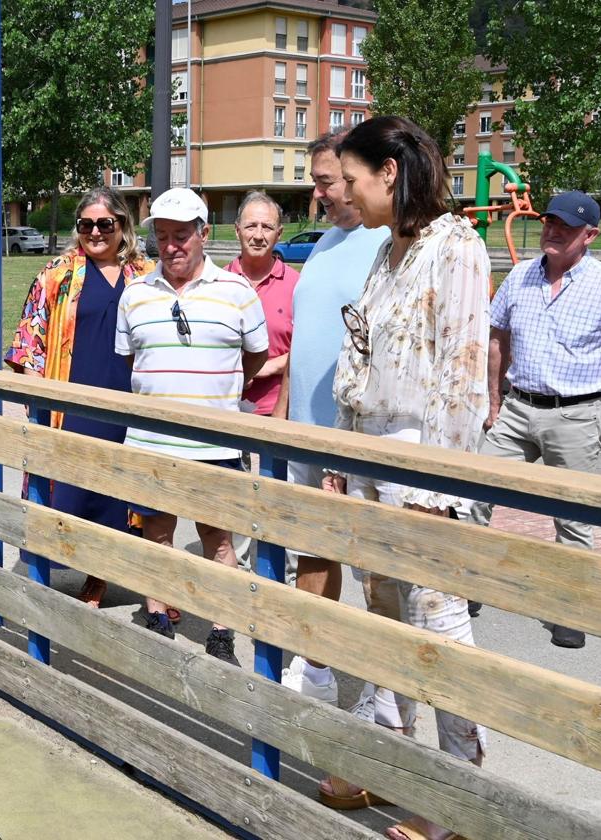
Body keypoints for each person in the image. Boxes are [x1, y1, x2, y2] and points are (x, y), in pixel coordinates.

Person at [325, 116, 490, 840]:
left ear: (389, 172)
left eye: (353, 181)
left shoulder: (456, 247)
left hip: (424, 470)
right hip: (373, 462)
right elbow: (363, 357)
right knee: (387, 616)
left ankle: (459, 796)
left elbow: (462, 374)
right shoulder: (388, 251)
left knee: (439, 629)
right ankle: (384, 758)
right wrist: (343, 455)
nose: (347, 197)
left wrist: (438, 487)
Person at [468, 190, 601, 649]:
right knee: (470, 493)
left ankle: (570, 612)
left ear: (589, 235)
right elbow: (497, 341)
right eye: (549, 222)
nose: (552, 231)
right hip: (516, 409)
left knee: (573, 519)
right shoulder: (520, 277)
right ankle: (462, 586)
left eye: (565, 227)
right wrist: (494, 404)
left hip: (574, 415)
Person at [115, 187, 269, 663]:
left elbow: (256, 356)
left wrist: (213, 397)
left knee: (219, 540)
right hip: (152, 441)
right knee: (157, 532)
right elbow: (129, 362)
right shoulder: (135, 294)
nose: (171, 245)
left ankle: (220, 629)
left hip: (214, 445)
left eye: (181, 235)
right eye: (162, 236)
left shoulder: (238, 292)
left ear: (205, 234)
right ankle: (158, 615)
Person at [271, 132, 391, 708]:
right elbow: (305, 340)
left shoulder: (387, 240)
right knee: (310, 550)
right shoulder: (323, 244)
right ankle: (313, 663)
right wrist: (286, 411)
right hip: (308, 431)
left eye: (325, 181)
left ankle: (380, 686)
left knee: (375, 568)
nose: (318, 193)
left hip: (360, 437)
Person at [5, 187, 154, 609]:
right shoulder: (58, 273)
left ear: (122, 226)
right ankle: (88, 570)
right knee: (78, 486)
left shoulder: (146, 275)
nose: (94, 232)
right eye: (85, 224)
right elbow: (29, 342)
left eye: (104, 224)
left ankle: (124, 578)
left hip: (130, 399)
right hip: (72, 397)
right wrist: (39, 394)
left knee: (129, 489)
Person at [227, 192, 300, 418]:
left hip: (277, 412)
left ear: (279, 234)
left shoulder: (297, 285)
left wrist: (263, 367)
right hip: (224, 411)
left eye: (267, 227)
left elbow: (306, 349)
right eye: (251, 226)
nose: (258, 235)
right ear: (237, 230)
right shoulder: (217, 282)